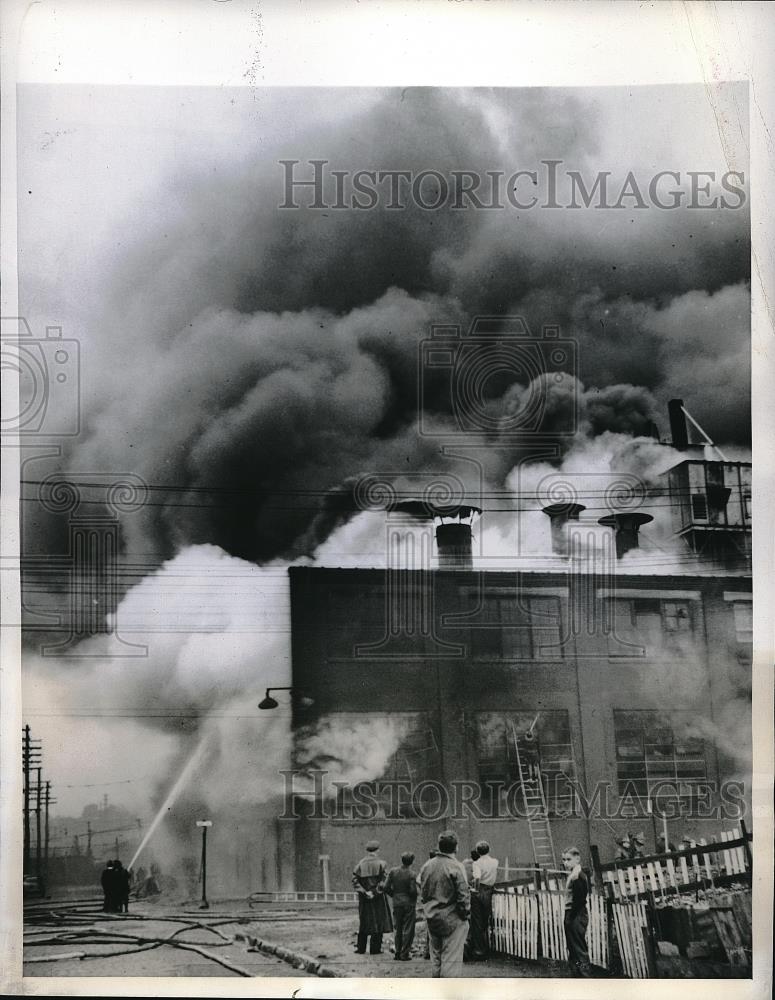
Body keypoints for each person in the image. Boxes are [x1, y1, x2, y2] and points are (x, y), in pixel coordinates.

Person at [419, 830, 470, 978]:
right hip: (452, 918)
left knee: (436, 959)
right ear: (456, 847)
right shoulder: (456, 866)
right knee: (451, 961)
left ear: (439, 846)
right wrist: (465, 915)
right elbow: (463, 895)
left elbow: (423, 890)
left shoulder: (427, 865)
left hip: (432, 917)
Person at [352, 840, 393, 955]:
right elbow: (384, 880)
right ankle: (375, 949)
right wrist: (375, 892)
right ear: (377, 850)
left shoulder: (359, 864)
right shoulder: (382, 864)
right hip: (378, 898)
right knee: (378, 921)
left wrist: (365, 892)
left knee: (364, 921)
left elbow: (355, 881)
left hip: (364, 899)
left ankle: (361, 948)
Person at [562, 846, 592, 977]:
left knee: (578, 947)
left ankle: (585, 975)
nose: (565, 863)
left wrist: (571, 917)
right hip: (572, 913)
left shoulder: (578, 876)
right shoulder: (573, 874)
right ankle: (575, 974)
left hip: (576, 914)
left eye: (569, 859)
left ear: (577, 859)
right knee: (572, 947)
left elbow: (580, 899)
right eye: (564, 860)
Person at [384, 851, 418, 961]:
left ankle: (397, 952)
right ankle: (405, 953)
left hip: (397, 903)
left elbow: (385, 887)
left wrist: (394, 895)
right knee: (408, 929)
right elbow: (413, 891)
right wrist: (414, 897)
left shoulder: (393, 871)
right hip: (409, 904)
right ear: (412, 862)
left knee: (397, 928)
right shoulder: (412, 874)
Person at [468, 840, 498, 960]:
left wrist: (474, 889)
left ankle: (479, 950)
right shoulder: (495, 862)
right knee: (485, 920)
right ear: (488, 850)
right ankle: (485, 947)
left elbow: (477, 878)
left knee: (477, 921)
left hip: (480, 891)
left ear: (477, 851)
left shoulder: (477, 863)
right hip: (490, 891)